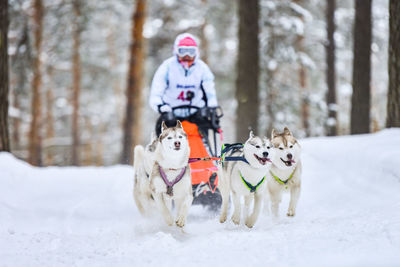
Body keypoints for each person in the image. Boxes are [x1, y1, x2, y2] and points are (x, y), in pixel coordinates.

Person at [149, 33, 221, 136]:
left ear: (197, 52)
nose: (187, 56)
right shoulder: (167, 67)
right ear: (176, 51)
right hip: (171, 114)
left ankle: (204, 149)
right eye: (182, 51)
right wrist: (162, 108)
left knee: (203, 126)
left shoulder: (202, 69)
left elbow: (210, 92)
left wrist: (211, 107)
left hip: (196, 113)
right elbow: (156, 92)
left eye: (191, 52)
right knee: (164, 132)